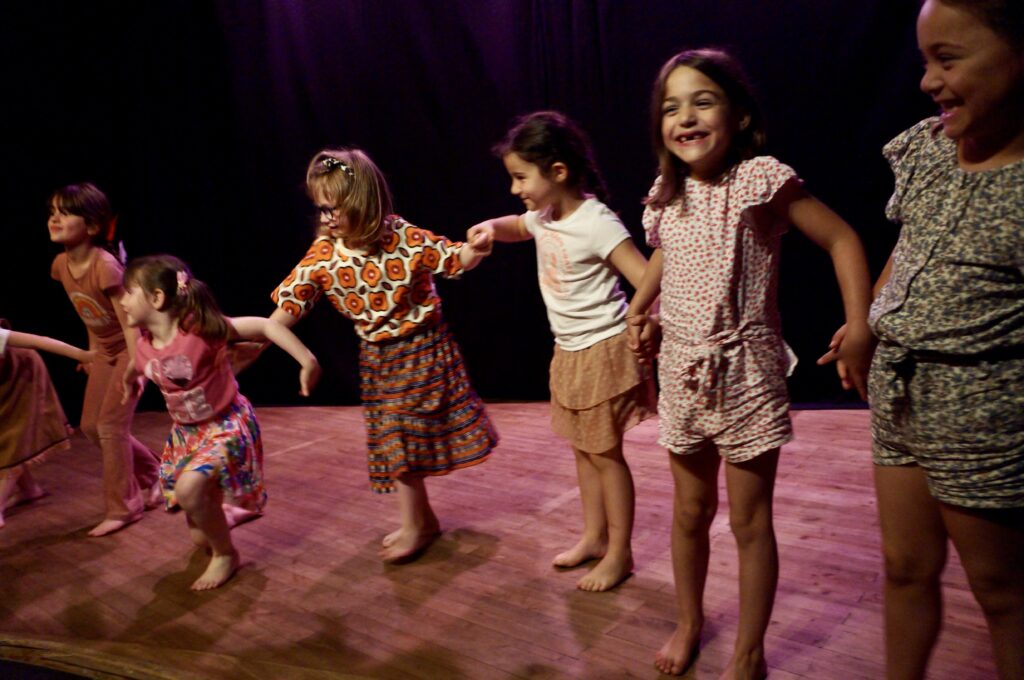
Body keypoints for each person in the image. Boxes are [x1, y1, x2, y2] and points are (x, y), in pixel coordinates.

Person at [625, 48, 873, 678]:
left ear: (737, 115)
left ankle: (750, 651)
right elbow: (666, 252)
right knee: (688, 511)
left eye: (703, 101)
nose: (685, 117)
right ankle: (689, 621)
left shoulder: (760, 180)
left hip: (745, 372)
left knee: (749, 519)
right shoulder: (666, 195)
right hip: (681, 370)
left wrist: (860, 324)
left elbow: (843, 238)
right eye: (671, 106)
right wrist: (640, 305)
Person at [819, 2, 1024, 677]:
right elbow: (911, 249)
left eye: (948, 58)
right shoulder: (930, 150)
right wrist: (869, 321)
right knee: (905, 567)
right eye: (924, 60)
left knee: (1002, 592)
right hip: (901, 395)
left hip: (985, 410)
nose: (927, 81)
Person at [270, 148, 498, 563]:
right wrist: (261, 339)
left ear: (361, 203)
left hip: (424, 351)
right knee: (396, 444)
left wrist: (476, 247)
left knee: (402, 441)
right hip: (378, 361)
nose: (325, 219)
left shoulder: (402, 236)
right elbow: (288, 305)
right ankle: (422, 522)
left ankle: (415, 526)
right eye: (320, 209)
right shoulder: (324, 255)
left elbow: (451, 257)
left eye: (332, 208)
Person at [467, 111, 657, 592]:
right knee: (583, 449)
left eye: (520, 177)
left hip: (603, 349)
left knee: (605, 454)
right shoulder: (545, 215)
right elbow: (518, 225)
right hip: (569, 350)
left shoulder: (596, 222)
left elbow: (644, 277)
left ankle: (621, 552)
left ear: (557, 172)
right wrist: (491, 227)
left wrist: (644, 320)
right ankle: (594, 537)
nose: (515, 189)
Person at [120, 254, 320, 590]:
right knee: (200, 536)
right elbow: (137, 366)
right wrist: (130, 382)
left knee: (190, 490)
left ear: (156, 299)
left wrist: (307, 359)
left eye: (129, 292)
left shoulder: (201, 333)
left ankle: (227, 555)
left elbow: (264, 325)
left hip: (224, 424)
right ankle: (229, 514)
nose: (122, 300)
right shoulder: (144, 345)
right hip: (186, 435)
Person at [48, 183, 162, 536]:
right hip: (106, 351)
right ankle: (158, 474)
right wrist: (91, 352)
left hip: (130, 349)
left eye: (64, 213)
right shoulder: (60, 266)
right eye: (52, 212)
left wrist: (136, 366)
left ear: (92, 226)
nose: (54, 218)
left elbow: (131, 321)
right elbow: (89, 314)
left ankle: (125, 507)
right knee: (90, 427)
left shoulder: (105, 267)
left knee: (112, 428)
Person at [0, 321, 94, 528]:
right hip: (3, 383)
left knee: (16, 438)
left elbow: (41, 341)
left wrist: (85, 355)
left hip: (24, 374)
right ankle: (30, 489)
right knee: (4, 437)